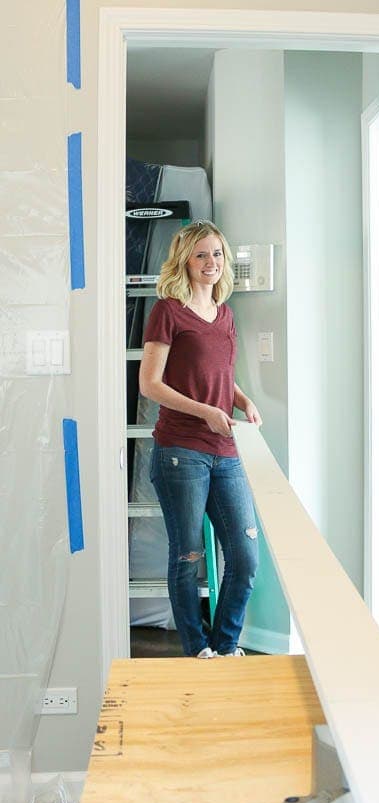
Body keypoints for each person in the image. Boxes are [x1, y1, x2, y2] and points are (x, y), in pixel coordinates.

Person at [139, 220, 261, 658]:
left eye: (218, 254)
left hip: (226, 450)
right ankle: (197, 651)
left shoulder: (225, 314)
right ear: (185, 261)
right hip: (180, 452)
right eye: (201, 255)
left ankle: (225, 647)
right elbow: (150, 384)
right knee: (188, 558)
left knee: (245, 559)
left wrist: (242, 401)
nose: (212, 263)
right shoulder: (168, 311)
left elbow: (221, 379)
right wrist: (206, 412)